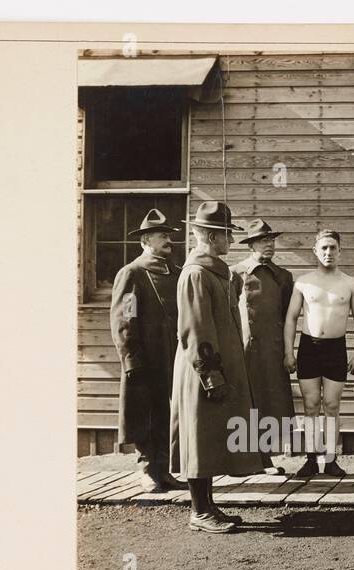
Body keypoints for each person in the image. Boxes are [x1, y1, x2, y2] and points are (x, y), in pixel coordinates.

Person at [170, 201, 265, 533]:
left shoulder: (216, 272)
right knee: (200, 434)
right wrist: (210, 373)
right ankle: (199, 511)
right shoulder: (195, 274)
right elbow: (196, 329)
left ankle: (209, 505)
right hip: (203, 369)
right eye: (227, 235)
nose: (231, 242)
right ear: (211, 236)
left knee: (210, 436)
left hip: (217, 367)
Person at [108, 208, 185, 493]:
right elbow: (124, 319)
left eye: (169, 235)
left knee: (168, 413)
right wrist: (131, 359)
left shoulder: (177, 272)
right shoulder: (132, 274)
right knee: (145, 413)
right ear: (146, 241)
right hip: (145, 358)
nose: (168, 240)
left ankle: (164, 470)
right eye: (162, 236)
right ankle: (148, 471)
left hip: (173, 355)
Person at [283, 230, 354, 477]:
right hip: (309, 348)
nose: (328, 253)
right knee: (310, 405)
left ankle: (331, 460)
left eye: (333, 248)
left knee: (332, 405)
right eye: (324, 248)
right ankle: (310, 459)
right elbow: (291, 318)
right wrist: (289, 352)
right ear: (315, 251)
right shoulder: (304, 281)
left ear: (340, 251)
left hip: (336, 349)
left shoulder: (349, 283)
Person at [232, 218, 294, 475]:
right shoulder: (235, 273)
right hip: (244, 348)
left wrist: (287, 350)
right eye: (262, 241)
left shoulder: (283, 276)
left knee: (269, 402)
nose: (269, 245)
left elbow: (288, 316)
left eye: (271, 240)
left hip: (273, 348)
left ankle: (265, 458)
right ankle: (244, 459)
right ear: (251, 245)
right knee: (247, 401)